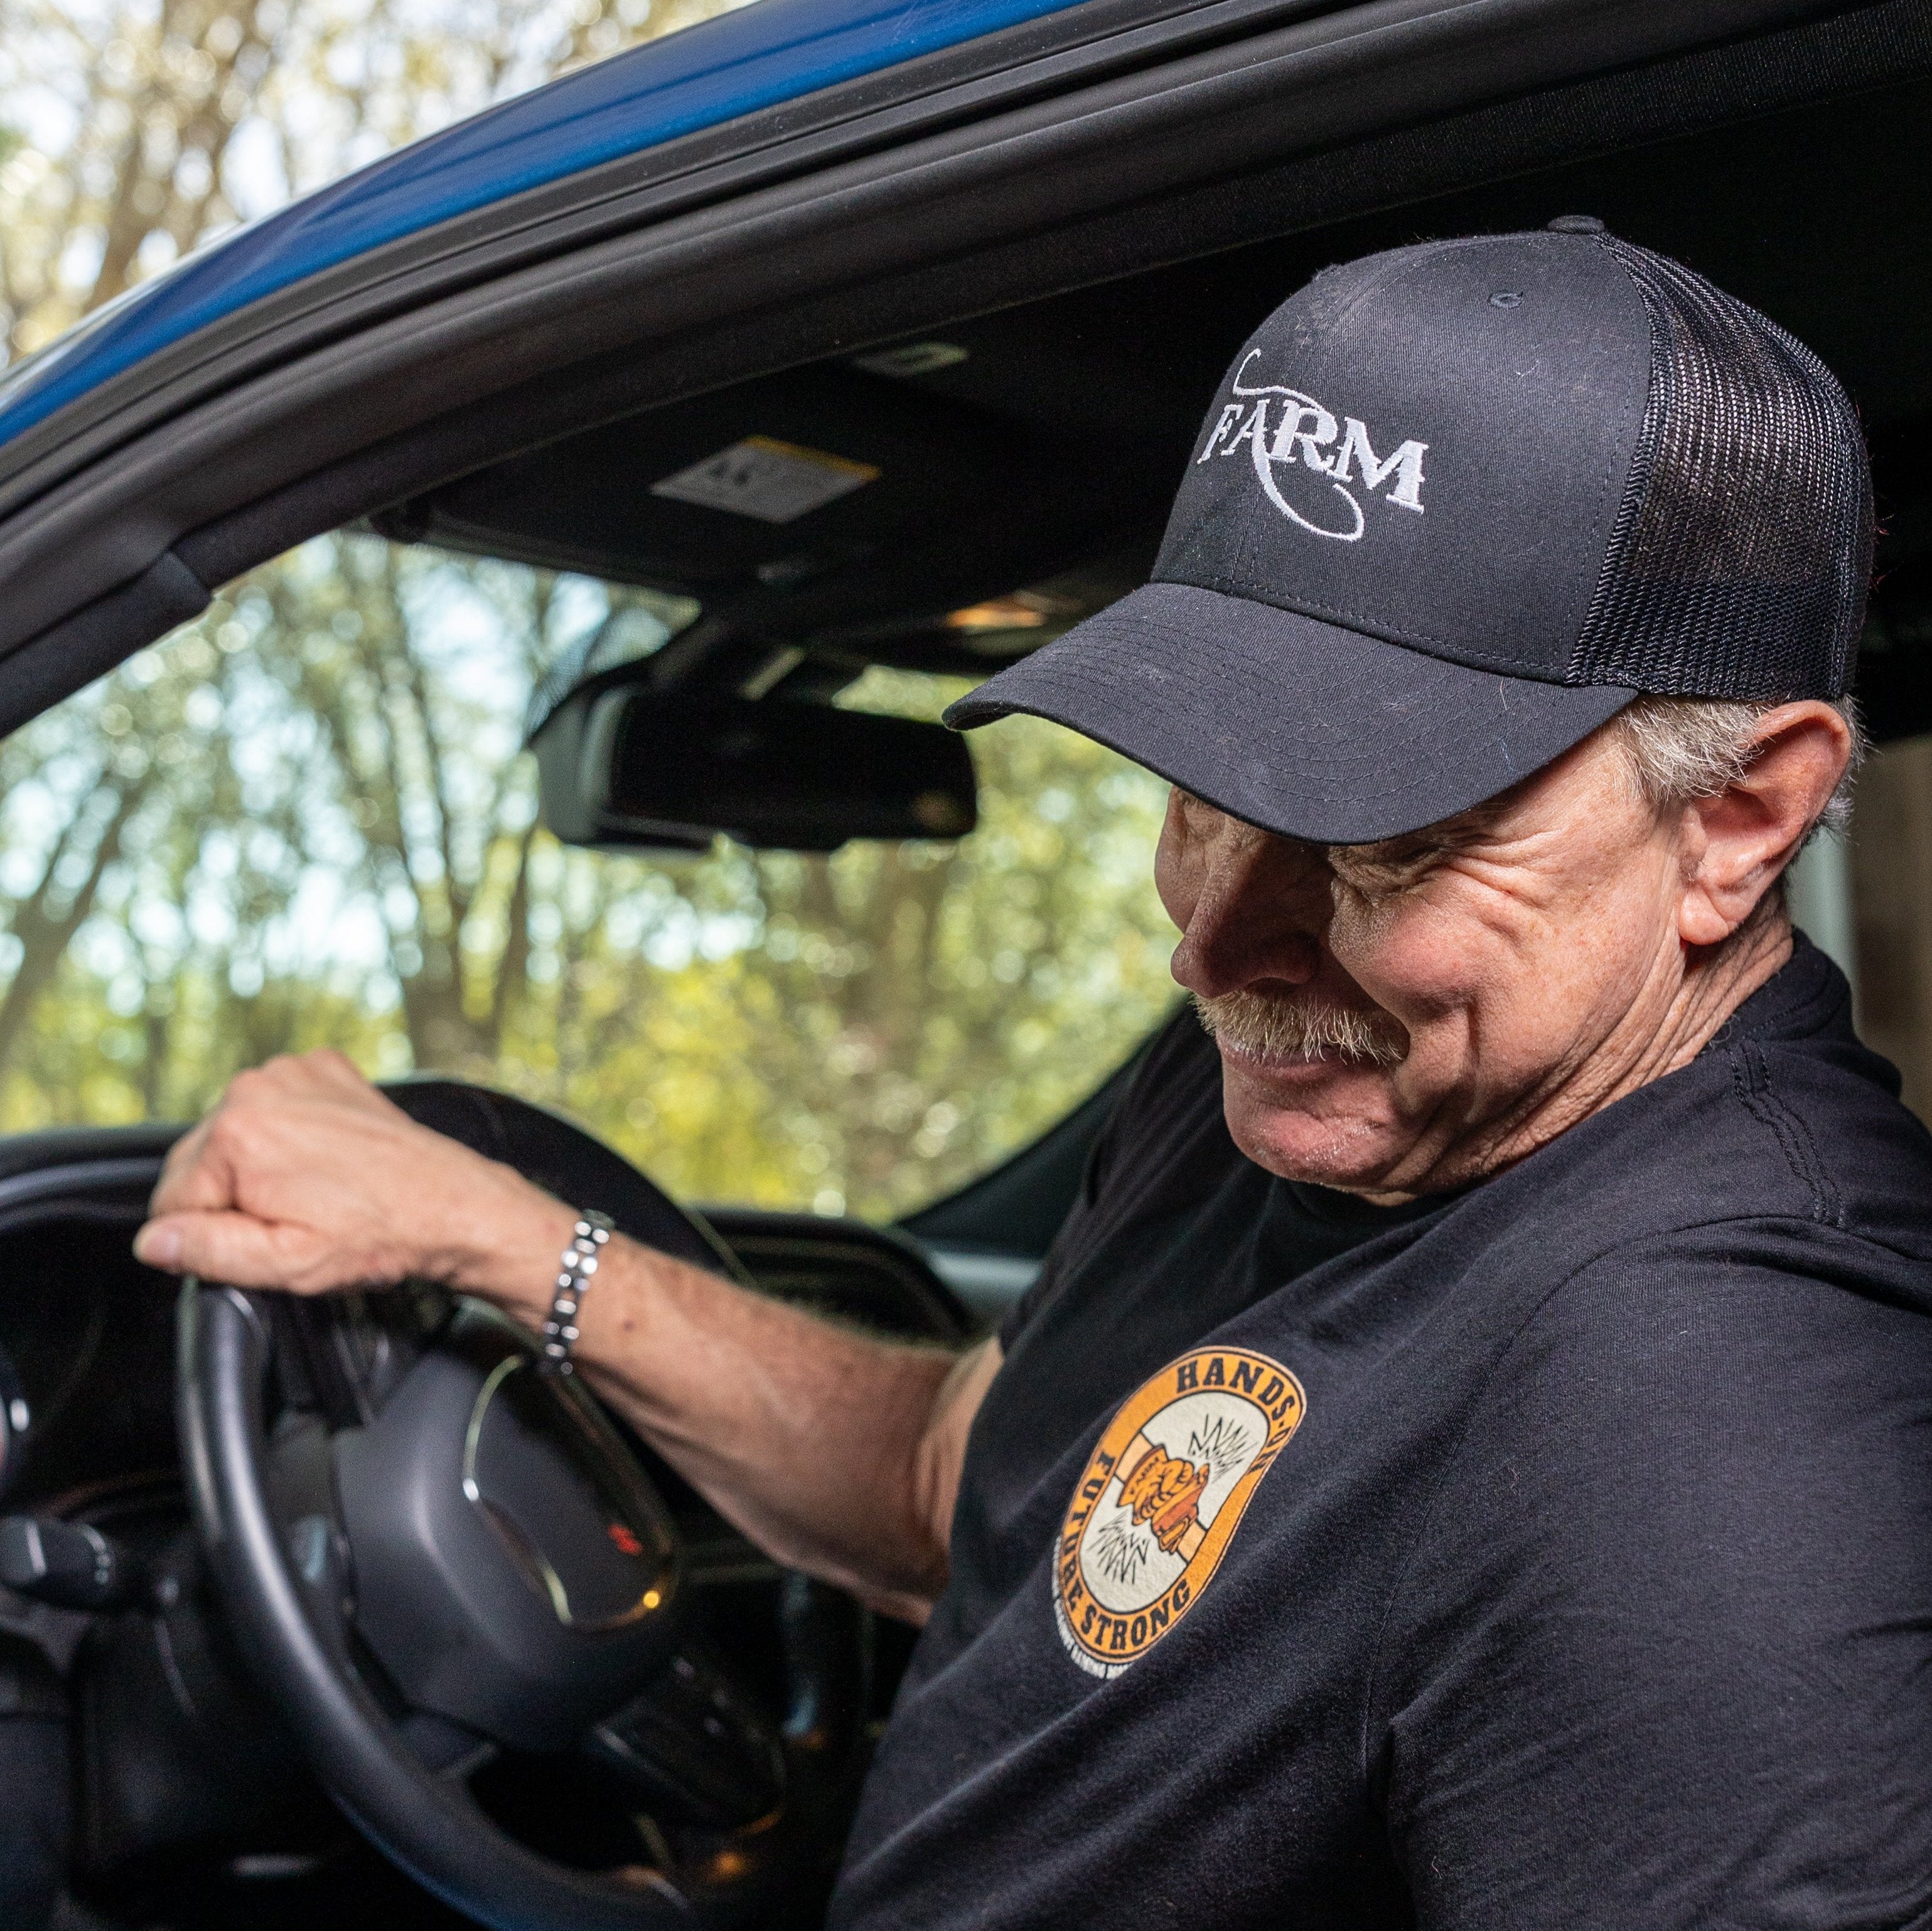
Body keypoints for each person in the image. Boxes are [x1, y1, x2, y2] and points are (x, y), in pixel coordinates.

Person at [135, 222, 1932, 1927]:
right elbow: (956, 1486)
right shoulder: (1333, 1088)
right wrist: (501, 1241)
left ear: (1741, 819)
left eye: (1381, 839)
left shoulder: (1723, 1445)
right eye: (1205, 794)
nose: (1216, 951)